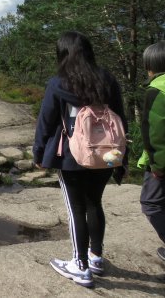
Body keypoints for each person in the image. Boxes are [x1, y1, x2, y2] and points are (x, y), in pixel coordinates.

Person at [33, 31, 127, 288]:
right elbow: (120, 118)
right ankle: (96, 257)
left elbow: (46, 121)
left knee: (77, 210)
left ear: (63, 54)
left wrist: (39, 153)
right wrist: (122, 156)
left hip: (71, 157)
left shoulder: (59, 82)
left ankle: (80, 265)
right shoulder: (106, 80)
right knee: (94, 204)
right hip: (106, 155)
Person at [138, 41, 165, 263]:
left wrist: (157, 165)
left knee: (151, 203)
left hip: (161, 163)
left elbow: (153, 132)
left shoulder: (156, 90)